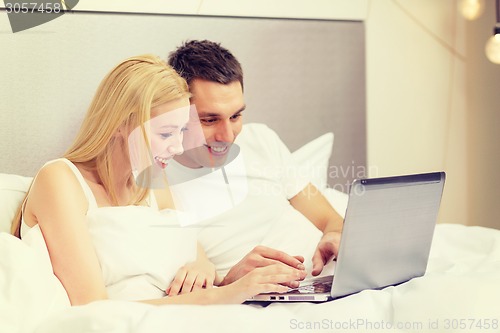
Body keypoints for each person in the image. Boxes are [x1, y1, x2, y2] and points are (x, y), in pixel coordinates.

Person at [10, 54, 305, 305]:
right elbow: (94, 307)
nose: (177, 147)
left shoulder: (153, 185)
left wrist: (229, 278)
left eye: (180, 132)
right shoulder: (60, 181)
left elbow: (197, 266)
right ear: (120, 125)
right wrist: (225, 295)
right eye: (165, 133)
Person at [166, 40, 344, 286]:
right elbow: (200, 286)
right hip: (259, 299)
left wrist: (334, 235)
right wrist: (231, 283)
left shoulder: (261, 139)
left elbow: (330, 219)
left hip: (326, 280)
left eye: (236, 116)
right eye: (209, 120)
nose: (228, 136)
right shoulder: (156, 182)